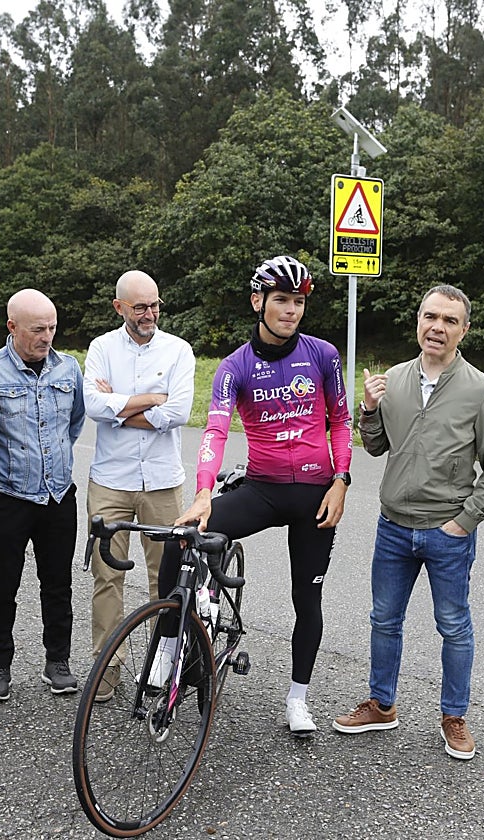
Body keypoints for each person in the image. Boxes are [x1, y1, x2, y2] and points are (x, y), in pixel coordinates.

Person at [160, 255, 352, 737]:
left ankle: (298, 698)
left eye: (299, 302)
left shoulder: (324, 355)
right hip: (263, 489)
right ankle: (168, 648)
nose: (291, 310)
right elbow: (215, 431)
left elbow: (341, 422)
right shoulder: (234, 367)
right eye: (282, 300)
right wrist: (203, 493)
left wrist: (341, 481)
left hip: (315, 495)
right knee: (181, 538)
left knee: (307, 600)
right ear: (257, 302)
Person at [332, 285, 484, 761]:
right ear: (418, 321)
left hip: (447, 531)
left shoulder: (482, 391)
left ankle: (454, 717)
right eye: (431, 316)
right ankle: (382, 705)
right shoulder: (394, 379)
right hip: (393, 526)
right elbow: (375, 447)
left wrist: (463, 522)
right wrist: (369, 409)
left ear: (463, 330)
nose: (438, 327)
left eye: (450, 320)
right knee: (384, 619)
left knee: (453, 625)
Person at [83, 270, 195, 699]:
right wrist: (151, 399)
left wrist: (119, 408)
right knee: (106, 575)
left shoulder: (178, 350)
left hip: (162, 481)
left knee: (165, 579)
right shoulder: (101, 348)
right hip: (110, 480)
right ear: (119, 307)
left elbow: (179, 412)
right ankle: (106, 669)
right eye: (140, 307)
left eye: (155, 305)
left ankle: (161, 670)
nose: (150, 314)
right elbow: (93, 404)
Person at [0, 290, 85, 701]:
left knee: (58, 584)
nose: (47, 336)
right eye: (38, 329)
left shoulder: (68, 368)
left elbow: (74, 424)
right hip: (5, 496)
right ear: (12, 327)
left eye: (52, 328)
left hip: (57, 496)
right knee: (1, 586)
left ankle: (58, 661)